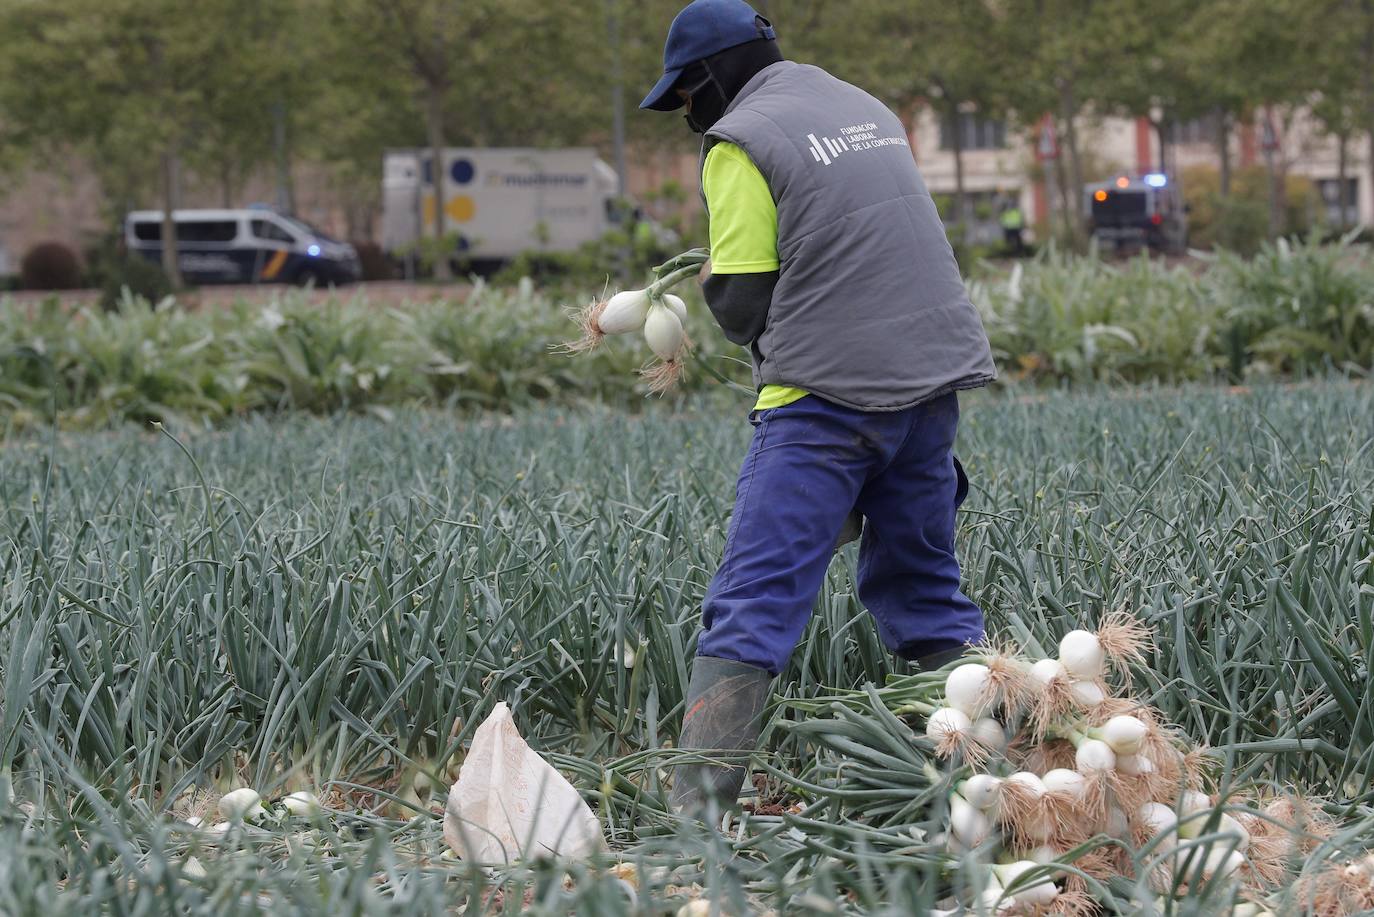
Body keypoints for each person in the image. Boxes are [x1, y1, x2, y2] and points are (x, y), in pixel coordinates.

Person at [639, 0, 998, 815]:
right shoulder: (860, 106)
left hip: (826, 400)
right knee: (926, 589)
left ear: (708, 78)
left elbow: (738, 300)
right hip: (929, 385)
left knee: (755, 596)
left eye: (685, 100)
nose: (688, 119)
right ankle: (973, 788)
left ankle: (698, 817)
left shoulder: (739, 140)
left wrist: (703, 287)